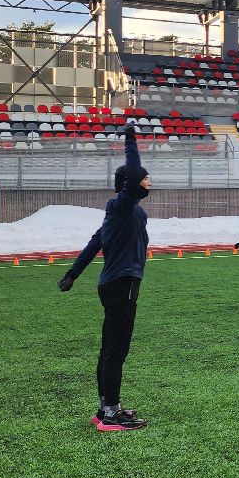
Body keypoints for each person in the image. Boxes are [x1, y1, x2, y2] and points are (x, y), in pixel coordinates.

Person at [59, 121, 152, 431]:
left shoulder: (123, 212)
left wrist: (72, 273)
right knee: (117, 350)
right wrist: (131, 138)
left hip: (116, 284)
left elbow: (94, 243)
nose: (149, 180)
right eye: (145, 177)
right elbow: (133, 170)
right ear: (131, 183)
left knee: (110, 348)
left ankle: (105, 408)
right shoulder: (122, 206)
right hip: (122, 284)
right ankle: (111, 414)